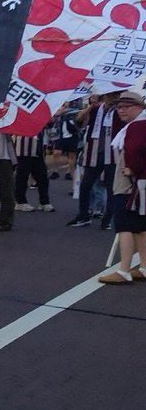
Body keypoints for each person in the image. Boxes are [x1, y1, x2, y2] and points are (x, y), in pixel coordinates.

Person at [100, 92, 146, 284]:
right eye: (119, 107)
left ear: (139, 107)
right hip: (141, 182)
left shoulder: (136, 126)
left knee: (124, 225)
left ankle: (124, 270)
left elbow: (134, 150)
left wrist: (133, 169)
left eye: (127, 106)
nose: (121, 110)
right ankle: (144, 267)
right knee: (141, 227)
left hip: (130, 182)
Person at [71, 93, 119, 229]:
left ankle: (107, 219)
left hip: (113, 154)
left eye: (116, 95)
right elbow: (80, 122)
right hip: (94, 152)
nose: (113, 98)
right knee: (85, 185)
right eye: (110, 95)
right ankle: (83, 215)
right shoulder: (96, 109)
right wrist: (91, 106)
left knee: (111, 189)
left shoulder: (120, 110)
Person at [14, 131, 54, 213]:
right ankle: (20, 202)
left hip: (37, 148)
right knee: (22, 176)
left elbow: (49, 123)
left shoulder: (38, 118)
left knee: (42, 176)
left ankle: (44, 202)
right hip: (23, 148)